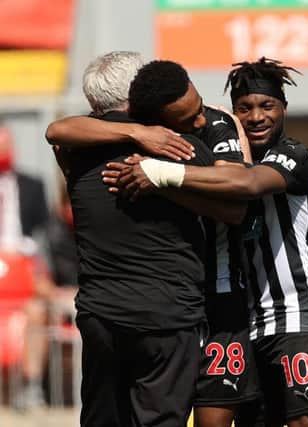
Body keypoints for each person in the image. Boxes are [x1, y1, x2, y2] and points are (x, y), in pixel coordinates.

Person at [103, 57, 308, 427]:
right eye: (244, 109)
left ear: (284, 109)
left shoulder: (295, 155)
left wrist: (161, 173)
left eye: (267, 106)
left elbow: (245, 187)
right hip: (251, 320)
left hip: (302, 315)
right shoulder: (220, 156)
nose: (257, 117)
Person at [47, 56, 261, 427]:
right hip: (167, 317)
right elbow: (234, 207)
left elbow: (56, 131)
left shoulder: (75, 148)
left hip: (101, 316)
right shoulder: (178, 145)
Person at [0, 126, 55, 411]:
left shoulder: (32, 185)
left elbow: (44, 236)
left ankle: (31, 387)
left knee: (39, 310)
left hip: (23, 267)